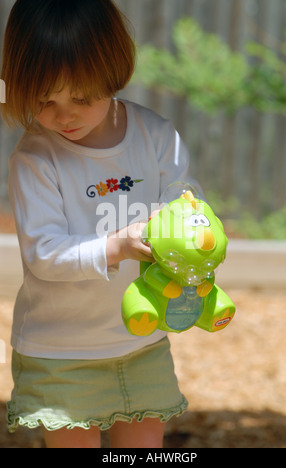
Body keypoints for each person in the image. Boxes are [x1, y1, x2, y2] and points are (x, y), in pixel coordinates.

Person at [0, 0, 204, 448]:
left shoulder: (155, 136)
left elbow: (187, 202)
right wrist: (117, 246)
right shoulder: (36, 158)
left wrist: (193, 233)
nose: (64, 115)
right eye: (43, 99)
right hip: (61, 351)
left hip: (142, 341)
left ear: (112, 71)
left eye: (81, 97)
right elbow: (44, 254)